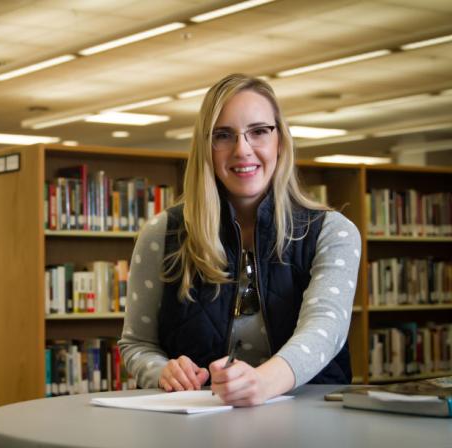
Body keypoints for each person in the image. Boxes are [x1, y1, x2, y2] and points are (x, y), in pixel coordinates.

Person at [119, 73, 361, 406]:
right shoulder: (162, 234)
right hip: (198, 429)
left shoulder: (333, 232)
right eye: (223, 135)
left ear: (280, 140)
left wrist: (261, 382)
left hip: (310, 425)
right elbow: (137, 345)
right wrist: (162, 371)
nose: (242, 149)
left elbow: (324, 331)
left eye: (259, 131)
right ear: (206, 146)